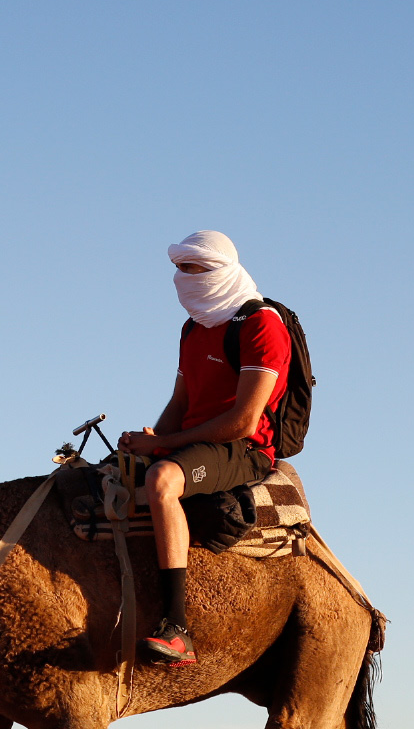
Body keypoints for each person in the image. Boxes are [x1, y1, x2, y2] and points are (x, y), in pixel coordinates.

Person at [117, 230, 291, 667]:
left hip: (243, 447)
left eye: (197, 270)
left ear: (223, 272)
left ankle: (177, 628)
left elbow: (243, 421)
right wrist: (146, 446)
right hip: (196, 442)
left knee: (162, 480)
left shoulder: (260, 324)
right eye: (181, 270)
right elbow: (181, 404)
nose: (186, 279)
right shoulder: (195, 326)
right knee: (113, 475)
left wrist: (164, 451)